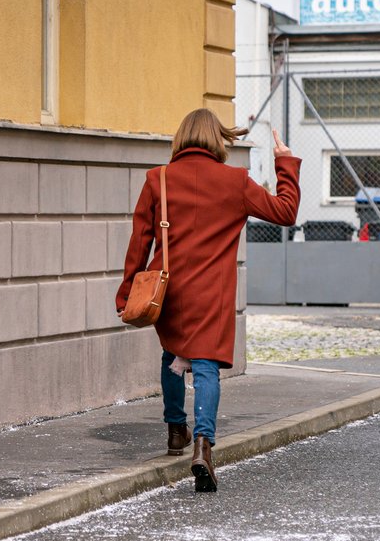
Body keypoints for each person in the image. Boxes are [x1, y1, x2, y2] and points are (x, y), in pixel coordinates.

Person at [115, 108, 301, 492]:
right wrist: (284, 162)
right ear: (218, 140)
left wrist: (126, 293)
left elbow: (140, 242)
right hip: (212, 290)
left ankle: (173, 431)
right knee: (204, 367)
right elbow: (286, 212)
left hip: (168, 289)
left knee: (172, 355)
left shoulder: (158, 179)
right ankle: (203, 445)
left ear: (181, 137)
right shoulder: (235, 181)